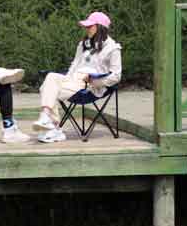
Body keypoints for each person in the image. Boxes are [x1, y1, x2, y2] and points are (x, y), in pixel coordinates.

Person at [33, 12, 122, 143]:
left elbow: (116, 76)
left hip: (90, 84)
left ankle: (53, 127)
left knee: (46, 89)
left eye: (90, 26)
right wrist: (67, 78)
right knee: (51, 77)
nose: (87, 29)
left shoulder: (113, 49)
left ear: (100, 27)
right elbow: (74, 64)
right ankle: (48, 119)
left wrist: (94, 80)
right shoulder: (83, 45)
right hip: (73, 79)